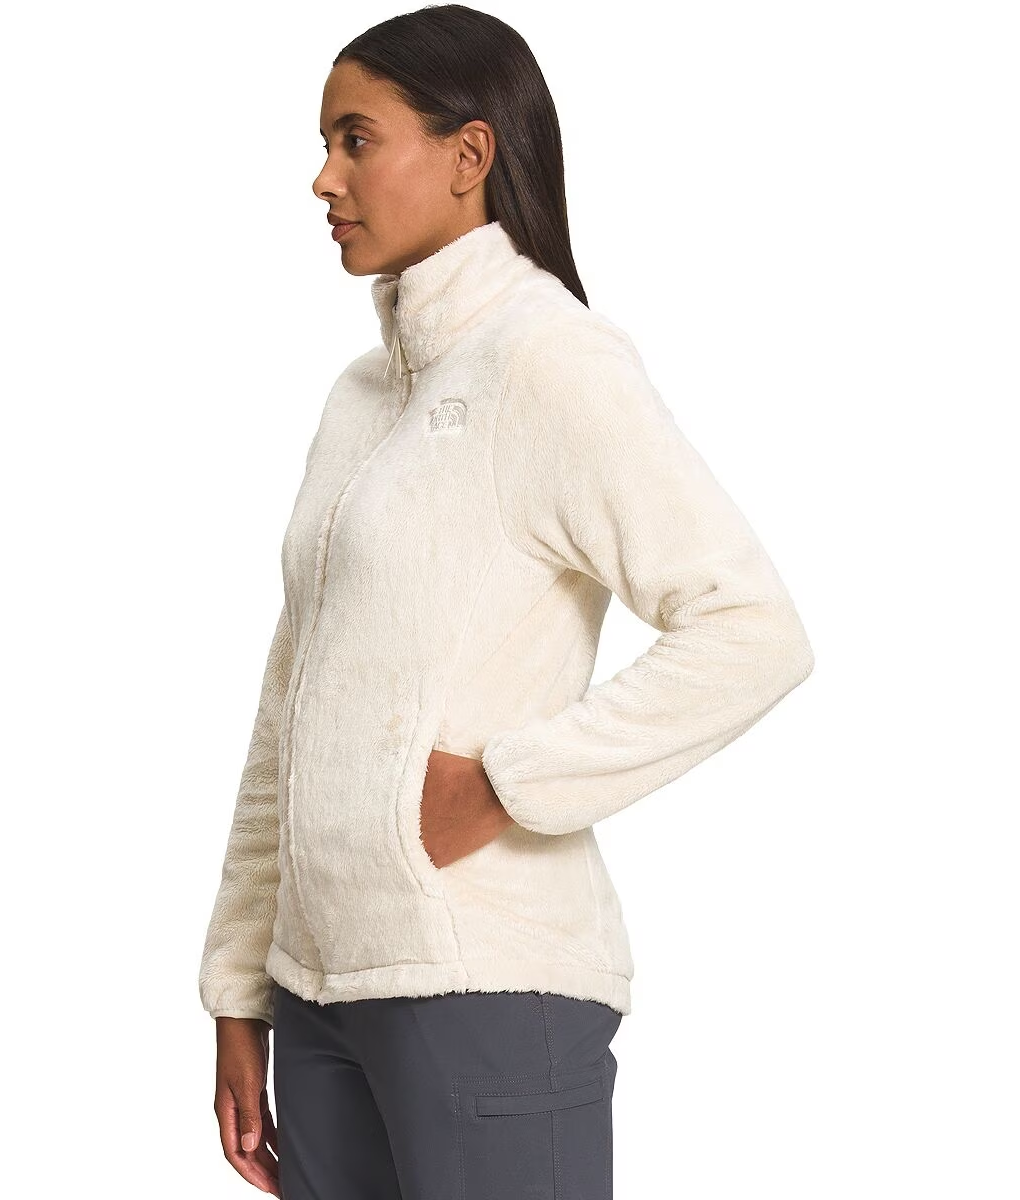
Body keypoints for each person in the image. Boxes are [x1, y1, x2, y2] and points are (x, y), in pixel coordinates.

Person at [198, 6, 815, 1198]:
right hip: (319, 992)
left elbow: (751, 629)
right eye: (325, 144)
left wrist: (506, 784)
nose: (324, 179)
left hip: (483, 984)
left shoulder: (550, 360)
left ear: (468, 155)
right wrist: (239, 986)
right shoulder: (359, 397)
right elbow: (288, 705)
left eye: (356, 140)